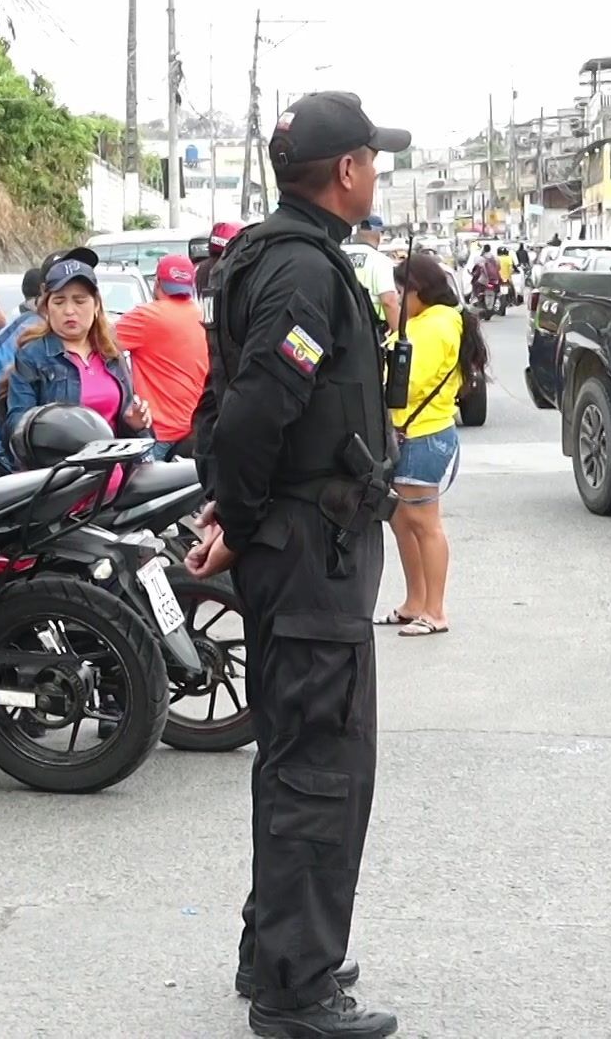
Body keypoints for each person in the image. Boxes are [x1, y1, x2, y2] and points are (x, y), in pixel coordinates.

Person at [185, 90, 407, 1038]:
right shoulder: (303, 271)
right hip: (312, 551)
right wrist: (239, 517)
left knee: (293, 756)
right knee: (320, 763)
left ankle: (275, 950)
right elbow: (250, 413)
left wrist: (235, 509)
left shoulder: (267, 256)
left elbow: (225, 403)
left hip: (300, 541)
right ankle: (296, 990)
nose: (377, 172)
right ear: (347, 170)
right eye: (373, 159)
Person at [376, 254, 483, 639]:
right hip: (408, 434)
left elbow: (407, 383)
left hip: (424, 435)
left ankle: (435, 610)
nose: (397, 298)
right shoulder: (424, 322)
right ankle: (414, 602)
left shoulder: (437, 326)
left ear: (419, 290)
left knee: (424, 524)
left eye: (401, 291)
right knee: (402, 522)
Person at [0, 256, 151, 468]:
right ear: (46, 308)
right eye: (59, 301)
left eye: (80, 301)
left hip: (115, 476)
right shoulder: (32, 356)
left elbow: (128, 426)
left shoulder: (112, 355)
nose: (69, 310)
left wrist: (135, 424)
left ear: (96, 305)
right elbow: (16, 428)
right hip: (63, 477)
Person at [0, 250, 78, 437]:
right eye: (61, 288)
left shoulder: (103, 345)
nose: (70, 307)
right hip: (29, 449)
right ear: (44, 291)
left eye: (80, 287)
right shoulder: (27, 331)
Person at [113, 253, 208, 460]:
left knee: (130, 480)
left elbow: (100, 342)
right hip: (196, 428)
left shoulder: (147, 316)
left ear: (157, 283)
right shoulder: (202, 315)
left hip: (161, 433)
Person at [348, 217, 400, 329]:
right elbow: (389, 302)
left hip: (339, 328)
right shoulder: (380, 260)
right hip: (370, 328)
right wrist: (397, 332)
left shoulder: (339, 254)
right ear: (378, 234)